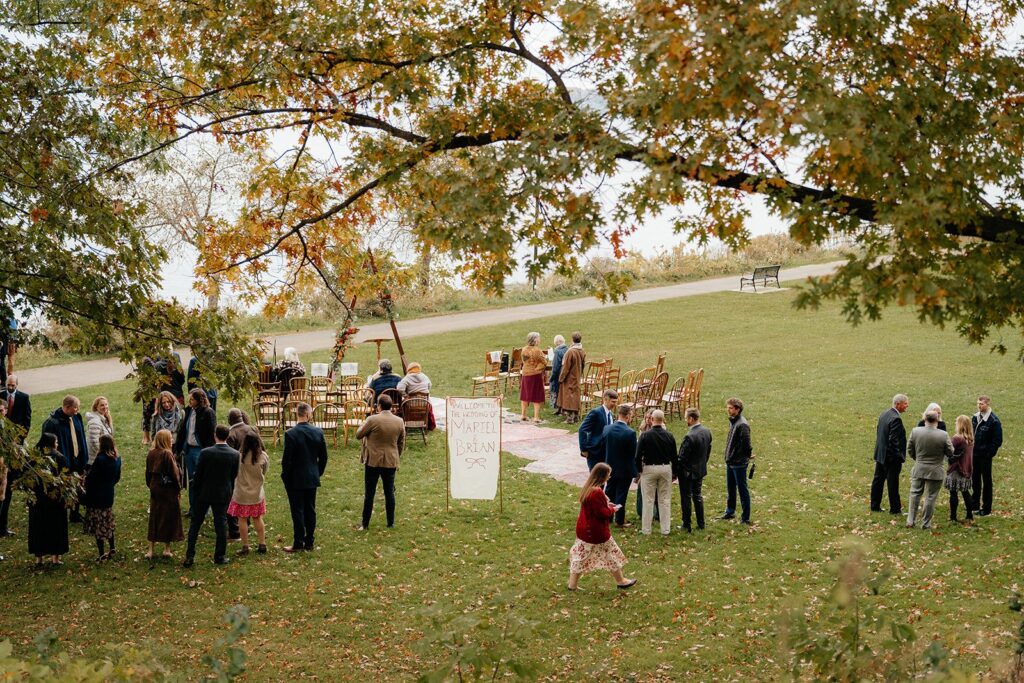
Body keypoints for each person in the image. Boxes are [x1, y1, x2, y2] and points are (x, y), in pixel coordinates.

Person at [568, 463, 636, 591]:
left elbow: (595, 507)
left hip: (584, 529)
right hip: (596, 532)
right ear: (602, 476)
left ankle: (572, 584)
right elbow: (601, 513)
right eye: (608, 475)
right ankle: (621, 581)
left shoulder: (588, 488)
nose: (609, 477)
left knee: (580, 555)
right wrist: (612, 509)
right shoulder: (597, 492)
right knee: (611, 554)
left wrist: (606, 504)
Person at [183, 424, 240, 567]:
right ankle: (219, 556)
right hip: (222, 493)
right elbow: (233, 475)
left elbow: (199, 473)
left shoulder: (206, 452)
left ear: (215, 435)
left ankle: (190, 555)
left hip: (204, 492)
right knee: (221, 524)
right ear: (227, 436)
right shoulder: (234, 454)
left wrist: (196, 489)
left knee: (195, 524)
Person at [280, 402, 328, 552]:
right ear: (308, 414)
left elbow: (286, 460)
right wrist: (317, 471)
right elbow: (324, 457)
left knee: (297, 510)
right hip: (311, 475)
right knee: (310, 509)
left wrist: (285, 476)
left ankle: (298, 542)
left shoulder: (290, 434)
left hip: (295, 477)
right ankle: (309, 541)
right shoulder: (318, 432)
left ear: (297, 414)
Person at [355, 394, 406, 530]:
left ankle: (365, 524)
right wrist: (396, 456)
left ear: (379, 406)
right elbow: (401, 443)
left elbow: (358, 435)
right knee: (389, 492)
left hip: (373, 461)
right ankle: (391, 522)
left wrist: (362, 424)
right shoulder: (399, 421)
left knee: (369, 493)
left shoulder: (372, 419)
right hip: (391, 460)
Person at [41, 395, 88, 522]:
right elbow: (47, 447)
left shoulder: (76, 418)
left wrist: (84, 459)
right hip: (63, 462)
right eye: (75, 408)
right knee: (63, 489)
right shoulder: (52, 423)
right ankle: (60, 514)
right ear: (67, 407)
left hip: (78, 459)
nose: (77, 410)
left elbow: (81, 437)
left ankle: (75, 514)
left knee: (77, 486)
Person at [27, 433, 69, 567]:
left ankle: (39, 558)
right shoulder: (59, 458)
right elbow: (65, 477)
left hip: (38, 499)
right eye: (56, 442)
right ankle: (55, 558)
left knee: (38, 527)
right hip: (55, 499)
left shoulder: (34, 458)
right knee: (55, 527)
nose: (57, 444)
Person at [906, 411, 954, 529]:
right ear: (937, 420)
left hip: (919, 468)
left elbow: (909, 448)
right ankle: (926, 523)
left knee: (914, 494)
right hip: (936, 470)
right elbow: (950, 452)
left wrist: (917, 459)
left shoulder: (915, 431)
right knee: (930, 497)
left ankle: (910, 521)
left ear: (924, 419)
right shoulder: (943, 435)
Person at [174, 388, 216, 516]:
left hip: (200, 450)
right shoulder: (188, 411)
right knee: (192, 480)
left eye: (192, 399)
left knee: (202, 480)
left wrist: (208, 452)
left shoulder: (207, 413)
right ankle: (193, 508)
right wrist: (178, 449)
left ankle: (203, 509)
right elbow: (182, 432)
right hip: (188, 449)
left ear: (199, 400)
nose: (189, 401)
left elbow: (210, 434)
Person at [635, 409, 676, 535]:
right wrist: (674, 473)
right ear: (663, 420)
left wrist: (640, 470)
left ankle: (646, 529)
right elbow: (674, 456)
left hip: (649, 468)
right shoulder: (669, 436)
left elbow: (637, 456)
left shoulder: (645, 436)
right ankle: (665, 529)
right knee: (664, 499)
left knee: (648, 500)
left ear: (652, 420)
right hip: (665, 468)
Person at [145, 429, 184, 560]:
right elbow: (174, 474)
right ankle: (166, 549)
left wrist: (151, 485)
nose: (172, 440)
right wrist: (178, 489)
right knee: (168, 518)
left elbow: (147, 473)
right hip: (168, 490)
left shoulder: (151, 453)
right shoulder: (167, 454)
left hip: (155, 488)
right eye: (170, 438)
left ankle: (150, 549)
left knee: (155, 517)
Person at [81, 434, 121, 560]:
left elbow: (92, 478)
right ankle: (112, 547)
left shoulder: (100, 460)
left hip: (96, 496)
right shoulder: (117, 459)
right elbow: (117, 477)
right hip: (108, 494)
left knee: (98, 525)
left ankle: (102, 552)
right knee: (108, 522)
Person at [229, 433, 269, 555]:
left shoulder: (238, 457)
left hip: (241, 492)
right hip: (256, 492)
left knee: (242, 519)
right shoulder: (263, 457)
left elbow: (234, 472)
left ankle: (245, 546)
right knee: (257, 518)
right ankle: (262, 543)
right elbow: (265, 471)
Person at [0, 374, 29, 537]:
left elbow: (27, 421)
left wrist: (17, 444)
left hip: (13, 450)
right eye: (8, 385)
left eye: (13, 385)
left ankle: (2, 526)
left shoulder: (24, 398)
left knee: (7, 490)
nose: (10, 388)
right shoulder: (0, 397)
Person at [870, 394, 908, 515]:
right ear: (898, 404)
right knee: (893, 483)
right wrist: (899, 456)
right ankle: (895, 509)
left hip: (880, 454)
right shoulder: (896, 419)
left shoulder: (884, 414)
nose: (907, 406)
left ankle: (875, 505)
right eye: (905, 403)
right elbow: (894, 441)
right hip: (890, 458)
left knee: (878, 480)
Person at [676, 407, 712, 532]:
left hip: (687, 473)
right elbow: (708, 451)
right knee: (697, 496)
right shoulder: (707, 431)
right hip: (700, 470)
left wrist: (676, 472)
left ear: (691, 418)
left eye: (686, 418)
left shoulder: (689, 436)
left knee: (686, 497)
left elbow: (682, 457)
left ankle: (687, 524)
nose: (686, 420)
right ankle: (701, 523)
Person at [720, 397, 754, 524]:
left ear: (738, 410)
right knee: (731, 489)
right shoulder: (733, 421)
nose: (728, 410)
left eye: (730, 408)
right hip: (730, 461)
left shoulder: (742, 425)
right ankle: (730, 511)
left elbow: (746, 444)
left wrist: (748, 455)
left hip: (739, 463)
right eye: (728, 407)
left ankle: (745, 518)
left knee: (742, 490)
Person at [603, 405, 637, 528]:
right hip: (624, 469)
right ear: (627, 416)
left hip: (609, 468)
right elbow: (633, 454)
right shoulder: (630, 433)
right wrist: (635, 472)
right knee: (621, 495)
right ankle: (619, 520)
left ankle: (607, 517)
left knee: (609, 492)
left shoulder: (607, 429)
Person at [971, 395, 1002, 517]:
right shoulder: (974, 417)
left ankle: (986, 508)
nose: (979, 406)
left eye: (982, 404)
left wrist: (989, 454)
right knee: (975, 480)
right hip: (974, 454)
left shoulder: (994, 421)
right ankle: (974, 505)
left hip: (985, 456)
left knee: (987, 482)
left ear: (987, 404)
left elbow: (997, 440)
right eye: (978, 403)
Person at [579, 389, 616, 472]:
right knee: (595, 480)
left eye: (615, 402)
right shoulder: (596, 412)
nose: (614, 404)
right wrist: (584, 449)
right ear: (605, 399)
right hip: (595, 452)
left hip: (605, 452)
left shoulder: (611, 415)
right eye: (612, 402)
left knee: (602, 479)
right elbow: (582, 429)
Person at [946, 415, 974, 524]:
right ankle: (969, 514)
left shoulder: (957, 438)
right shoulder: (970, 438)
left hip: (957, 468)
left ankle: (953, 516)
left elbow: (949, 450)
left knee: (953, 493)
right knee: (965, 492)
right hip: (967, 468)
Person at [519, 332, 548, 423]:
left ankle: (523, 415)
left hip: (525, 374)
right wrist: (538, 367)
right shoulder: (537, 350)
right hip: (535, 375)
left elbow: (524, 361)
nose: (539, 340)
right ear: (535, 340)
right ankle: (536, 417)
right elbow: (544, 362)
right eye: (538, 338)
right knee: (537, 396)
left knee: (525, 394)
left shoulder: (524, 349)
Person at [556, 332, 585, 423]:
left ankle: (569, 418)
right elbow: (583, 365)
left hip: (569, 378)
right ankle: (576, 416)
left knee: (569, 397)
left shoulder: (571, 351)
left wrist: (561, 378)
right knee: (575, 396)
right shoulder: (582, 350)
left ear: (572, 340)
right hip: (577, 376)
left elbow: (566, 367)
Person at [85, 396, 115, 467]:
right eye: (102, 405)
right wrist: (105, 455)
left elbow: (110, 435)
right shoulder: (95, 421)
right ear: (96, 407)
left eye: (106, 404)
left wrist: (110, 420)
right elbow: (94, 442)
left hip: (102, 458)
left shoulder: (103, 418)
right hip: (95, 460)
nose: (105, 407)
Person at [549, 335, 568, 412]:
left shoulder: (557, 352)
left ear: (557, 342)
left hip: (558, 375)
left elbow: (555, 367)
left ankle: (555, 407)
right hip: (565, 375)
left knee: (554, 389)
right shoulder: (567, 349)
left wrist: (551, 378)